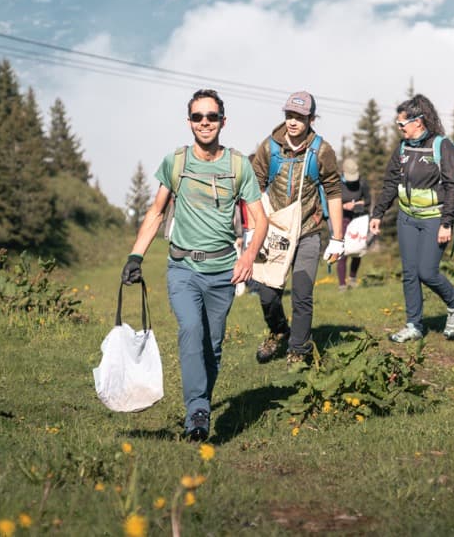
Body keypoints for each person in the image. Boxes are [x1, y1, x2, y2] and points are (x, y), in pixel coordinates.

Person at [120, 88, 266, 442]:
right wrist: (135, 255)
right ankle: (197, 411)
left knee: (212, 346)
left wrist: (247, 256)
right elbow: (156, 212)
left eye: (211, 117)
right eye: (198, 117)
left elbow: (260, 220)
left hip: (222, 272)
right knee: (190, 331)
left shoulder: (237, 165)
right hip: (183, 268)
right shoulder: (177, 163)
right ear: (189, 122)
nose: (205, 123)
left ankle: (200, 402)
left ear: (222, 121)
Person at [248, 91, 344, 370]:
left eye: (299, 118)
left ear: (311, 119)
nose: (293, 122)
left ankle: (298, 350)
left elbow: (334, 191)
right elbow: (253, 186)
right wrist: (252, 228)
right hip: (274, 232)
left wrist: (337, 238)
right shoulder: (269, 147)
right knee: (267, 293)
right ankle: (279, 330)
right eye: (289, 116)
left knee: (302, 293)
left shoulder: (322, 151)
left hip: (308, 231)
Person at [369, 94, 454, 343]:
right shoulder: (403, 148)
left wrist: (447, 223)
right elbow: (391, 182)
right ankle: (414, 325)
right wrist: (378, 213)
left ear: (419, 122)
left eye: (402, 124)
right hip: (407, 218)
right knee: (410, 273)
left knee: (427, 272)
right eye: (397, 124)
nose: (399, 128)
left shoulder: (441, 146)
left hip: (435, 219)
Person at [337, 156, 370, 290]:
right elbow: (331, 203)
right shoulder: (337, 183)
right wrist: (343, 206)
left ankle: (352, 278)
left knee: (357, 249)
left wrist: (357, 204)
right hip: (342, 219)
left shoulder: (362, 182)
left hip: (358, 219)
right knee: (343, 251)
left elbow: (368, 201)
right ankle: (342, 285)